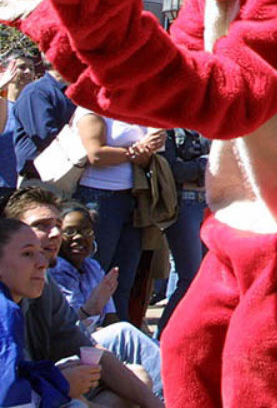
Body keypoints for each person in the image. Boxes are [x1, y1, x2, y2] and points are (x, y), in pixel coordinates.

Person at [3, 186, 163, 407]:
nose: (56, 234)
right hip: (34, 395)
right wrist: (59, 382)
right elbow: (10, 395)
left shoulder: (46, 282)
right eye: (41, 226)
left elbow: (84, 345)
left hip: (43, 389)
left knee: (135, 378)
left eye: (58, 226)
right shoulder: (5, 309)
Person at [50, 202, 163, 398]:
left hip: (95, 344)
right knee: (124, 333)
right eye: (70, 232)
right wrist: (90, 309)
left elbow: (111, 317)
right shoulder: (55, 271)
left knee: (137, 349)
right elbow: (69, 329)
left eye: (86, 231)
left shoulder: (93, 267)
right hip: (69, 349)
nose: (79, 238)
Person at [73, 109, 165, 322]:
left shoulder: (135, 106)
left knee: (123, 279)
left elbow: (148, 157)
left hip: (133, 198)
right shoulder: (90, 107)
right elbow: (96, 154)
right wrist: (135, 152)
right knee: (94, 272)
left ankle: (119, 333)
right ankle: (85, 333)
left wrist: (144, 153)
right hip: (98, 198)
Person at [0, 217, 76, 407]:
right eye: (27, 254)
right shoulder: (5, 311)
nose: (42, 263)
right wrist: (60, 384)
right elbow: (10, 401)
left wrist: (52, 375)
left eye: (41, 253)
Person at [156, 127, 209, 337]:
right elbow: (173, 170)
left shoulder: (208, 125)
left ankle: (185, 332)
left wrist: (195, 168)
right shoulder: (168, 129)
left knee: (203, 276)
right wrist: (204, 165)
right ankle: (164, 334)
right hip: (181, 206)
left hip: (208, 204)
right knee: (191, 277)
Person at [14, 57, 75, 179]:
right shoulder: (36, 92)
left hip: (67, 173)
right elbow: (45, 136)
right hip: (41, 177)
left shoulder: (70, 92)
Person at [0, 50, 35, 196]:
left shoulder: (35, 107)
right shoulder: (3, 104)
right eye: (21, 67)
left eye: (31, 68)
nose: (28, 72)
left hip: (27, 187)